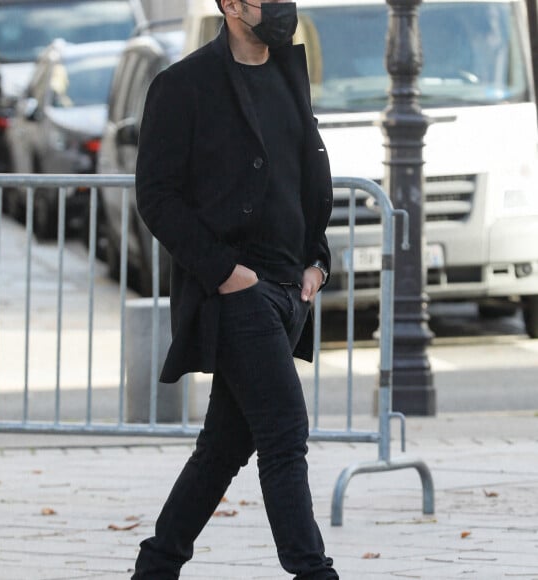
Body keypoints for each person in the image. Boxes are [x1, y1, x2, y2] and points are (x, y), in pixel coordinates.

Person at [132, 0, 338, 578]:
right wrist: (226, 273)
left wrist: (316, 261)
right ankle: (313, 571)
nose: (278, 6)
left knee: (222, 449)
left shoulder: (286, 74)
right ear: (229, 5)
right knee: (284, 432)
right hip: (237, 294)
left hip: (287, 292)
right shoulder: (183, 85)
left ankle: (156, 566)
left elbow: (304, 179)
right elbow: (156, 197)